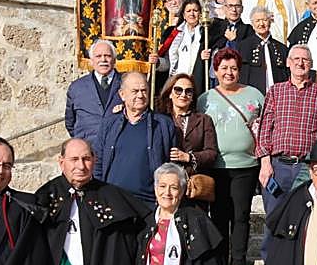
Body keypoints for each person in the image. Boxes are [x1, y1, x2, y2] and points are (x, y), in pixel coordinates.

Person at [255, 44, 317, 265]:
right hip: (278, 166)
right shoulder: (275, 91)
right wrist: (265, 162)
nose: (301, 63)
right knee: (274, 218)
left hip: (308, 168)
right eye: (296, 59)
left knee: (307, 218)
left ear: (312, 65)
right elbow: (265, 129)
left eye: (306, 60)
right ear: (288, 63)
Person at [198, 48, 263, 265]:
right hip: (216, 166)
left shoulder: (254, 94)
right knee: (219, 215)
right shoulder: (205, 99)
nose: (229, 72)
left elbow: (264, 126)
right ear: (215, 71)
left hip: (245, 165)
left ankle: (238, 263)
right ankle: (219, 261)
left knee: (240, 216)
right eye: (224, 68)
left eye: (233, 68)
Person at [94, 72, 177, 206]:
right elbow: (97, 162)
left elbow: (171, 165)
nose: (140, 95)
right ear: (122, 94)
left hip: (148, 204)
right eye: (135, 91)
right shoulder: (109, 124)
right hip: (112, 201)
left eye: (144, 90)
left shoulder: (163, 124)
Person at [157, 74, 219, 185]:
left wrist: (189, 157)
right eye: (178, 90)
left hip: (193, 182)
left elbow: (211, 153)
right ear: (170, 93)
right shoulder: (159, 119)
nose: (183, 95)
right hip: (166, 181)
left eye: (188, 91)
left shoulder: (204, 120)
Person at [65, 40, 122, 147]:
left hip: (119, 149)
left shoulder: (127, 84)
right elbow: (70, 122)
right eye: (98, 56)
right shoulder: (76, 87)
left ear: (114, 60)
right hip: (88, 151)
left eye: (108, 56)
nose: (103, 60)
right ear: (91, 60)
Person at [152, 0, 212, 93]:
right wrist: (158, 62)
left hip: (198, 81)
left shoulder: (207, 34)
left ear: (200, 14)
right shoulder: (175, 34)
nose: (192, 14)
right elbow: (168, 63)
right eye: (188, 11)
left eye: (195, 10)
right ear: (184, 15)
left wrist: (207, 57)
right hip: (177, 81)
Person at [235, 7, 289, 94]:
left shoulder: (282, 48)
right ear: (252, 24)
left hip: (278, 95)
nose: (261, 24)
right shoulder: (243, 46)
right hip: (253, 96)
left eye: (264, 20)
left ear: (270, 22)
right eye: (257, 21)